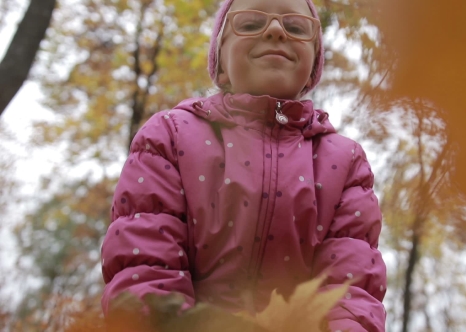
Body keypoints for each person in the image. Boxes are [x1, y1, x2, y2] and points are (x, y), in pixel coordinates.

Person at [101, 0, 387, 330]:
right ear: (220, 65)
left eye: (295, 27)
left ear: (313, 69)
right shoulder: (169, 136)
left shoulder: (344, 161)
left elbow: (351, 291)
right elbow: (145, 266)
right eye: (250, 24)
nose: (276, 31)